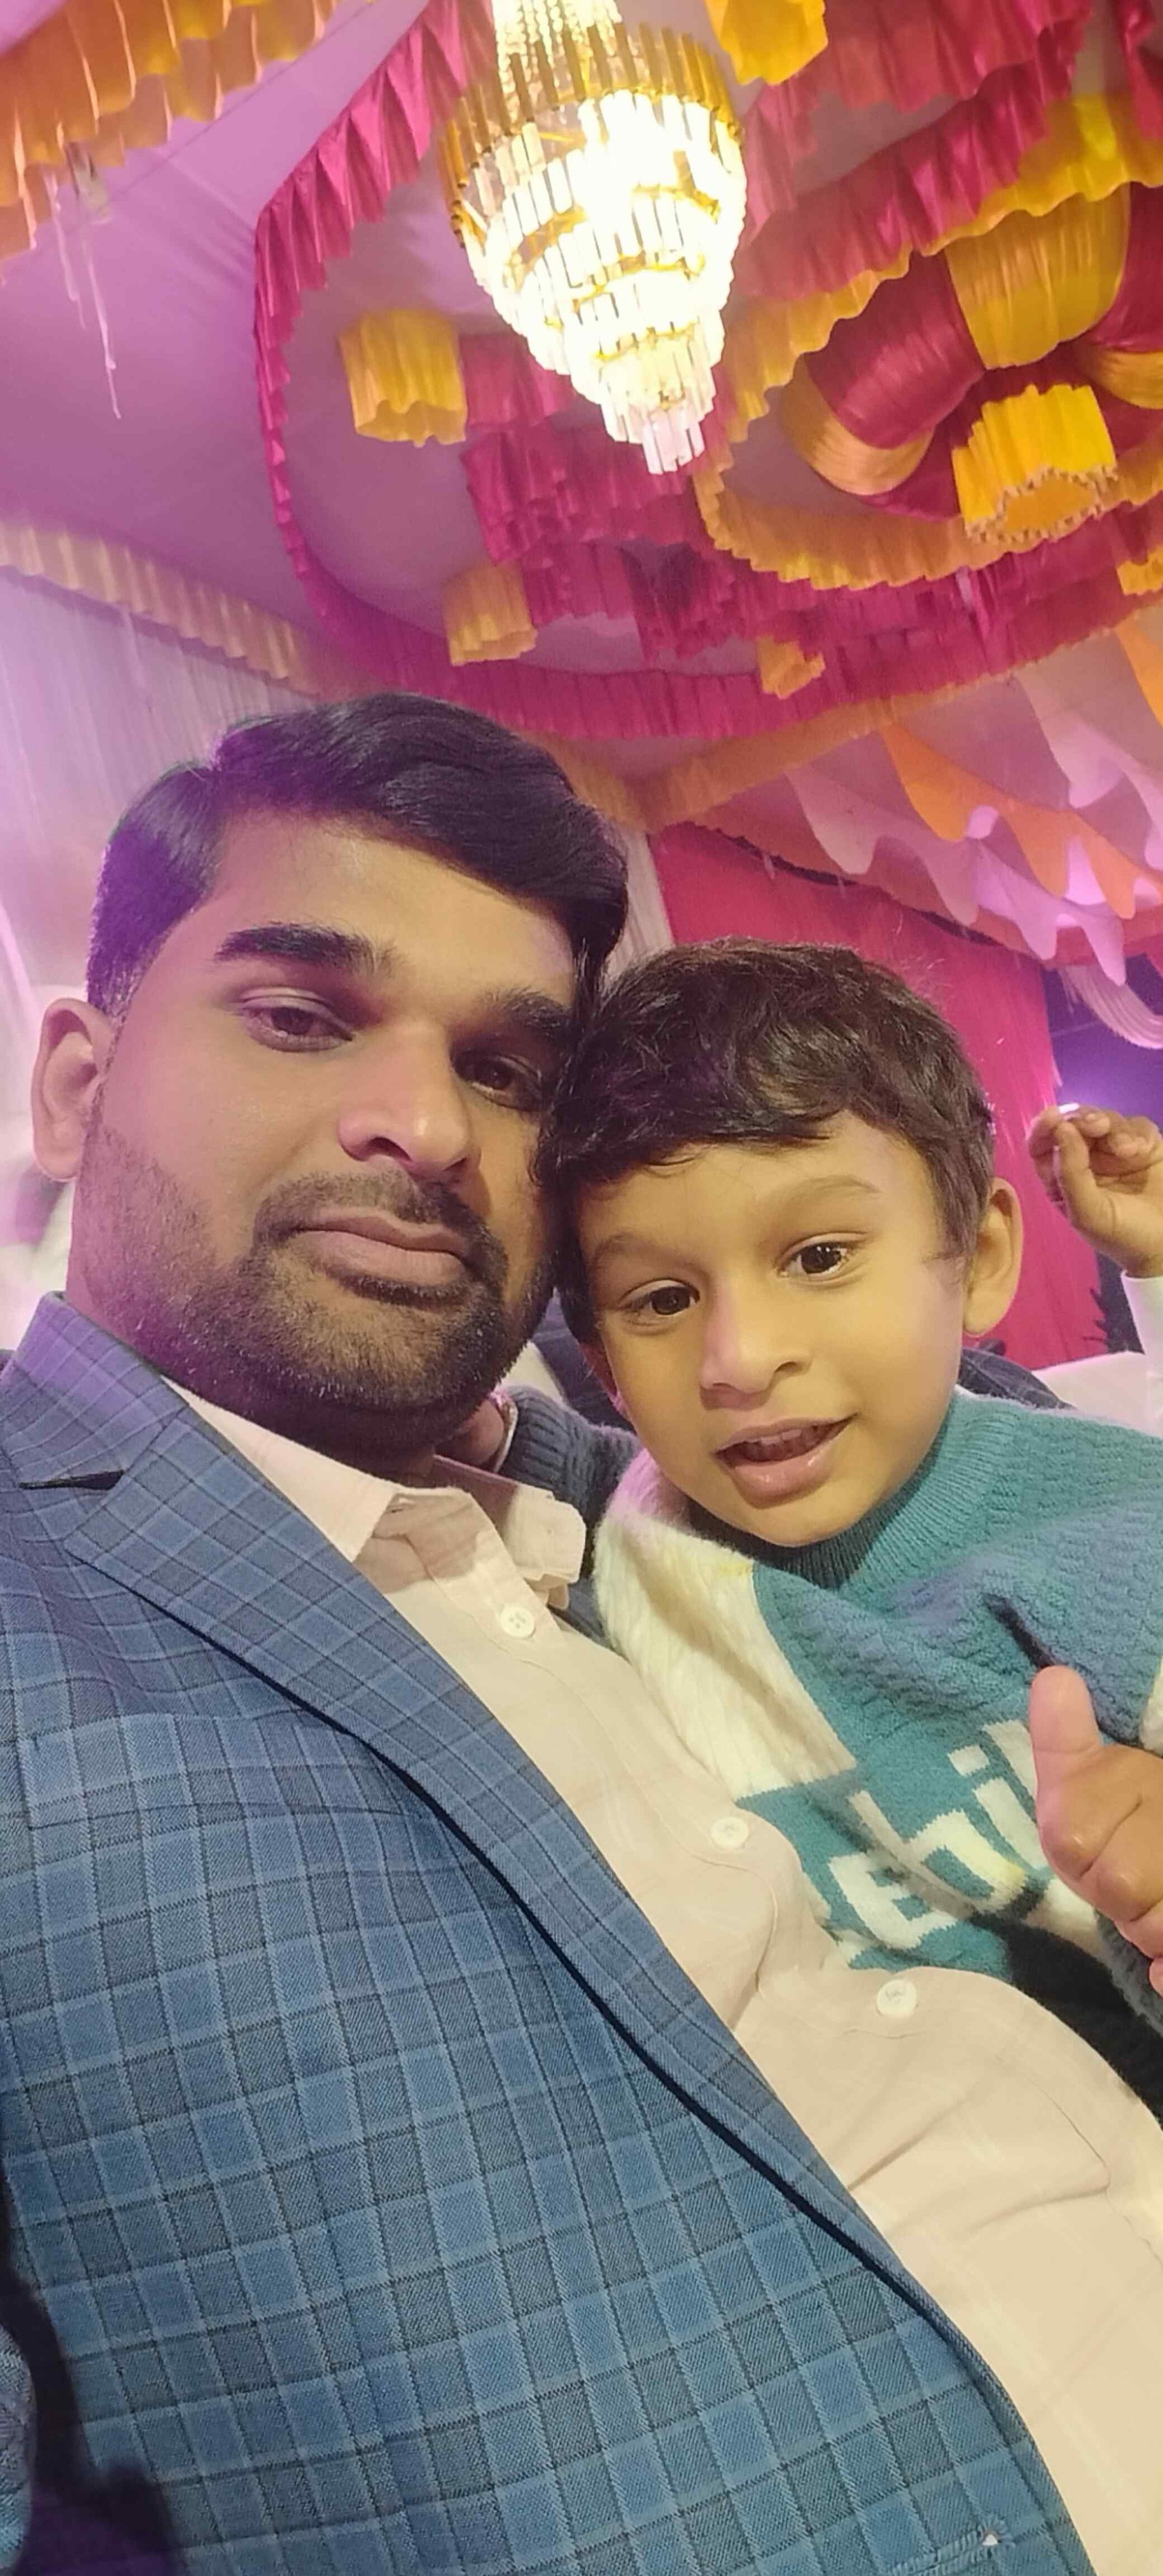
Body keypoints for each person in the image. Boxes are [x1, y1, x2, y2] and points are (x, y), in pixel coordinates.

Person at [0, 693, 1160, 2576]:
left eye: (511, 1068)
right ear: (74, 1080)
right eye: (300, 1015)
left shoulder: (675, 1487)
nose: (423, 1126)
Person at [541, 940, 1163, 2072]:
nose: (741, 1357)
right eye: (663, 1299)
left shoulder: (1108, 1523)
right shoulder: (625, 1570)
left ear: (978, 1258)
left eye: (820, 1255)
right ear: (605, 1365)